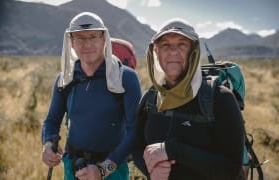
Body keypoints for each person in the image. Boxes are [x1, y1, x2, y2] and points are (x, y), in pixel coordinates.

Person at [132, 18, 245, 179]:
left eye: (182, 44)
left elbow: (231, 169)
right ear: (156, 51)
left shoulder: (220, 98)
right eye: (165, 45)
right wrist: (150, 171)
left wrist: (173, 150)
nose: (173, 51)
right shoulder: (151, 98)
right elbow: (136, 147)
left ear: (193, 51)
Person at [41, 12, 141, 180]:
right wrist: (48, 144)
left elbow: (135, 130)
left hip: (113, 170)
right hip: (72, 168)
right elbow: (52, 120)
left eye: (93, 37)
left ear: (104, 39)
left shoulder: (125, 78)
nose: (87, 44)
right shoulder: (66, 79)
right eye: (80, 38)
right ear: (71, 42)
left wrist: (103, 169)